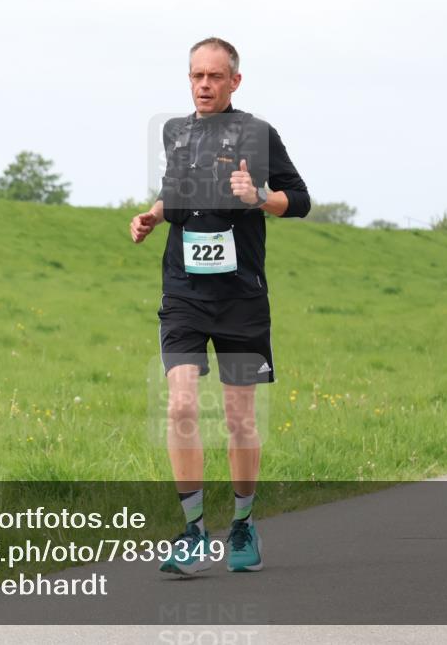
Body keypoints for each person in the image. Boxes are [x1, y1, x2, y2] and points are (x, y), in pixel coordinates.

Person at [130, 37, 310, 574]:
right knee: (182, 406)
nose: (203, 85)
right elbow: (180, 194)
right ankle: (191, 532)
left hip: (241, 299)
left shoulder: (260, 134)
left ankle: (242, 524)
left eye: (213, 76)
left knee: (238, 418)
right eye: (195, 76)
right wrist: (155, 215)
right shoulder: (176, 133)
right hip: (184, 290)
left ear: (234, 81)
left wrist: (260, 197)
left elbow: (298, 200)